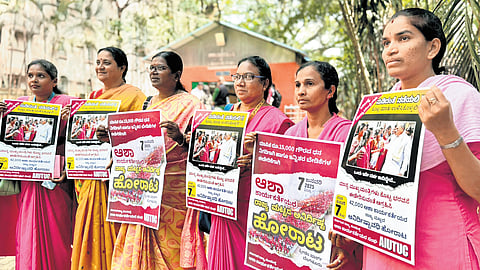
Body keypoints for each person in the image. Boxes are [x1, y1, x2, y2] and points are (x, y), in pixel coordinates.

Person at [361, 8, 480, 269]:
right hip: (384, 242)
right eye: (386, 42)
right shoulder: (377, 108)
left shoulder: (459, 97)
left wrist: (446, 132)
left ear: (432, 47)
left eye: (403, 38)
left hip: (441, 242)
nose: (390, 50)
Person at [111, 51, 207, 270]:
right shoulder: (147, 103)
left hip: (175, 191)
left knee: (170, 249)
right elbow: (135, 143)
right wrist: (111, 139)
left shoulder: (193, 105)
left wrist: (181, 138)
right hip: (144, 187)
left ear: (176, 74)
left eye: (160, 68)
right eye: (151, 68)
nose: (154, 72)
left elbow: (205, 151)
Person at [208, 56, 294, 269]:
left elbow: (288, 172)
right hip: (222, 202)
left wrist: (259, 160)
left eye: (248, 77)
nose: (239, 83)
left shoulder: (277, 121)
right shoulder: (225, 114)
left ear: (265, 83)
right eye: (237, 77)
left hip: (252, 209)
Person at [72, 47, 146, 270]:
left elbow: (140, 136)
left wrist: (115, 145)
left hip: (116, 176)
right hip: (90, 173)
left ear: (122, 67)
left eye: (106, 63)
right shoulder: (93, 97)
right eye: (98, 62)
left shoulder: (135, 96)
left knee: (113, 232)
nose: (100, 67)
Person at [281, 61, 360, 270]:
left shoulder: (346, 133)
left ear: (330, 91)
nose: (301, 91)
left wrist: (347, 239)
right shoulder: (290, 134)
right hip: (296, 234)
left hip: (335, 236)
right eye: (297, 85)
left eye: (309, 84)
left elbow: (356, 190)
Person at [0, 59, 76, 269]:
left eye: (40, 76)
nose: (34, 80)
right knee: (28, 227)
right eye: (30, 75)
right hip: (28, 176)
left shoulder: (67, 103)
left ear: (54, 81)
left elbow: (80, 140)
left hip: (56, 176)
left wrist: (71, 120)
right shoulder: (20, 104)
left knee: (56, 229)